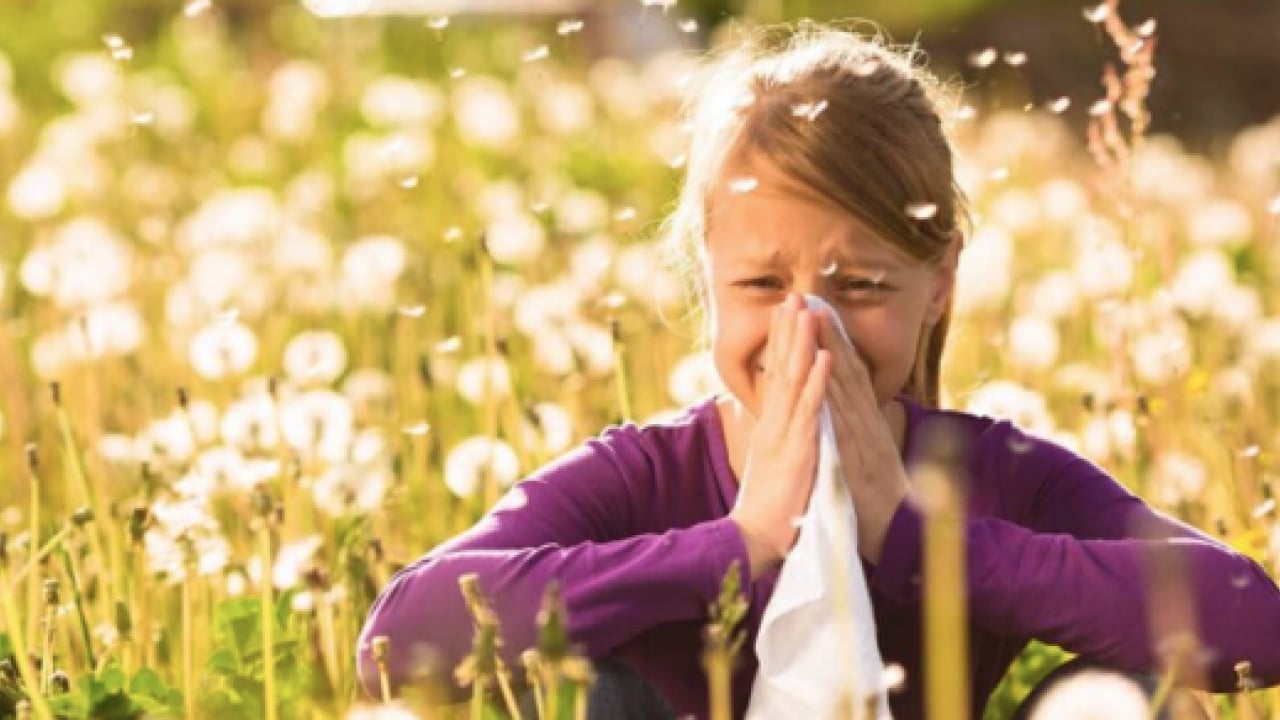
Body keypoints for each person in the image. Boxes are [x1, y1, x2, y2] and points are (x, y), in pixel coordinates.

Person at [356, 23, 1280, 719]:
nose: (810, 326)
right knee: (590, 678)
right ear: (704, 281)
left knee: (1137, 675)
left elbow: (1254, 623)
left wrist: (920, 544)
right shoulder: (648, 475)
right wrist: (740, 545)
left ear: (939, 284)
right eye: (762, 283)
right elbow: (400, 639)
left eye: (862, 284)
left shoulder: (987, 473)